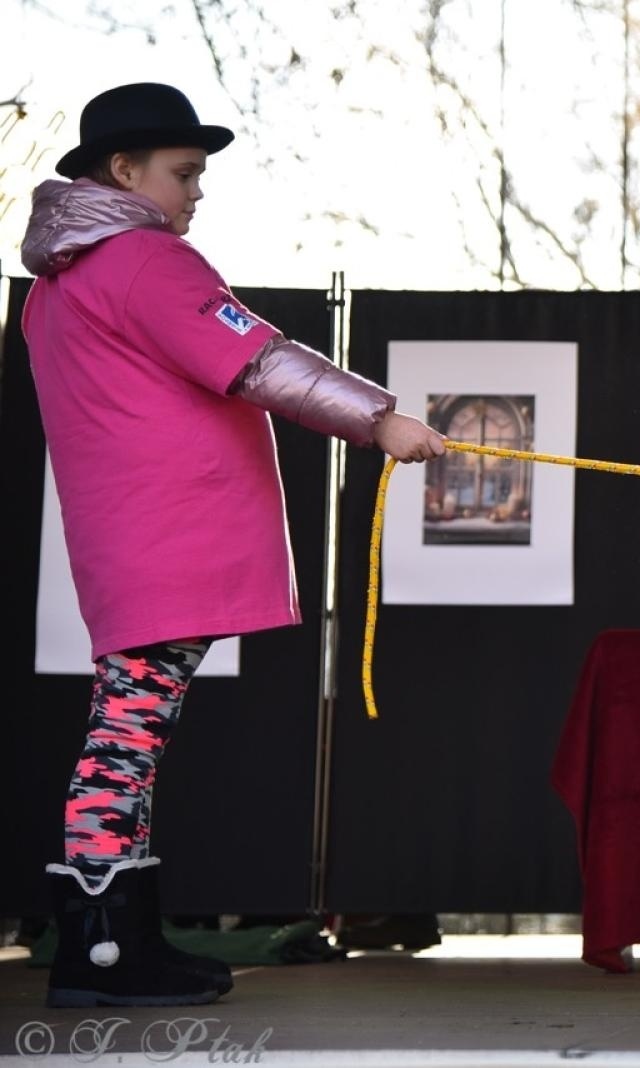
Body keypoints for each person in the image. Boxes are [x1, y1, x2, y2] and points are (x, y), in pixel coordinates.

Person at [21, 82, 445, 1008]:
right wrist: (379, 421)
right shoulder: (145, 262)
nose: (196, 192)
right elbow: (256, 358)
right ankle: (99, 956)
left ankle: (118, 945)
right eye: (184, 173)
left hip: (124, 544)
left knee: (128, 735)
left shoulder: (56, 290)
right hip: (167, 542)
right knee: (125, 740)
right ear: (124, 172)